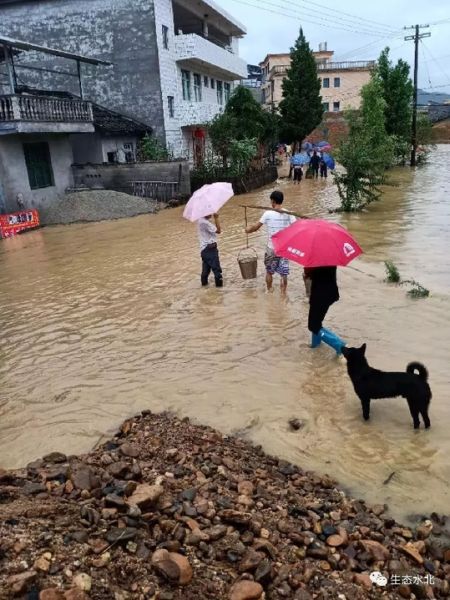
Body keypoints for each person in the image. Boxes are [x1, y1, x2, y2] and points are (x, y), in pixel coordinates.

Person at [245, 190, 295, 293]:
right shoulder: (289, 214)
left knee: (269, 271)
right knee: (283, 273)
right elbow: (296, 228)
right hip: (284, 249)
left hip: (271, 248)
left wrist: (247, 230)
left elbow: (256, 227)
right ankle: (283, 294)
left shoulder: (268, 213)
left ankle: (269, 290)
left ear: (273, 201)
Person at [308, 266, 346, 355]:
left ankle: (340, 346)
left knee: (313, 326)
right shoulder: (329, 257)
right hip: (330, 292)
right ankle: (315, 345)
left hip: (320, 295)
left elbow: (310, 275)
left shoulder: (316, 260)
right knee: (316, 323)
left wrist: (309, 272)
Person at [197, 213, 223, 287]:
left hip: (204, 250)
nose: (211, 214)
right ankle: (220, 292)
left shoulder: (201, 220)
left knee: (205, 272)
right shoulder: (205, 223)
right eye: (209, 212)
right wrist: (216, 218)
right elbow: (218, 230)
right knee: (217, 272)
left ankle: (204, 288)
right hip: (210, 250)